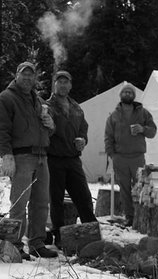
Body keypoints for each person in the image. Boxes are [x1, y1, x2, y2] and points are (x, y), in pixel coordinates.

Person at [0, 62, 58, 259]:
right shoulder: (6, 98)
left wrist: (51, 125)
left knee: (41, 203)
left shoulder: (38, 100)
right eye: (23, 75)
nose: (27, 78)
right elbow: (2, 129)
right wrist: (6, 155)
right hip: (21, 156)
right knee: (19, 202)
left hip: (42, 155)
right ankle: (14, 245)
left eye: (30, 75)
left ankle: (36, 243)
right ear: (16, 75)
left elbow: (50, 128)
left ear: (34, 78)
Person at [47, 70, 97, 249]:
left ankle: (91, 231)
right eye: (59, 82)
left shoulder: (76, 107)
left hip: (73, 160)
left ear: (70, 85)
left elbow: (83, 129)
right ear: (54, 84)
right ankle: (59, 235)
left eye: (65, 82)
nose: (62, 85)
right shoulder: (47, 106)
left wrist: (83, 140)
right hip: (54, 159)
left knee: (84, 197)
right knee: (56, 199)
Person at [104, 83, 157, 226]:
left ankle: (142, 216)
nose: (127, 94)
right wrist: (112, 155)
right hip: (120, 157)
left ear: (134, 95)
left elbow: (153, 131)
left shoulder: (143, 113)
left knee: (140, 188)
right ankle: (130, 217)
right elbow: (108, 137)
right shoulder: (113, 116)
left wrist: (142, 129)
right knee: (125, 189)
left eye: (130, 92)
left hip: (137, 157)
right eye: (125, 92)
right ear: (120, 95)